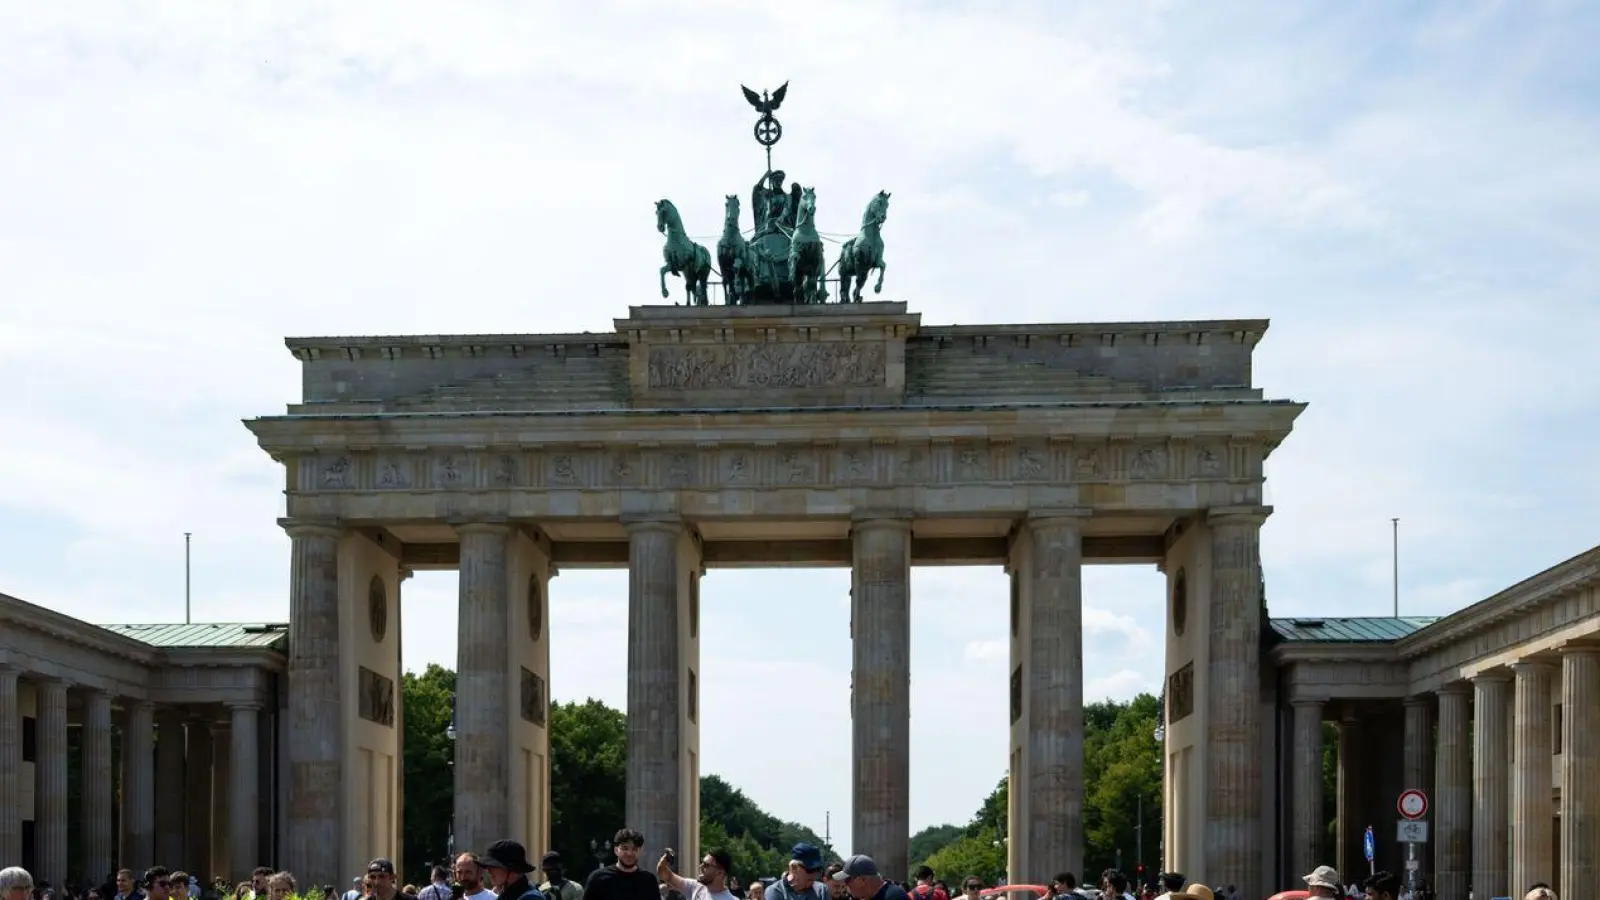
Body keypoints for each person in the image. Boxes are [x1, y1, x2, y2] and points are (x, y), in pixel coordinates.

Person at [582, 829, 659, 900]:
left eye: (634, 849)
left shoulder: (648, 880)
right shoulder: (598, 878)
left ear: (640, 851)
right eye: (625, 848)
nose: (629, 853)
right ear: (616, 850)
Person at [657, 848, 736, 900]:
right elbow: (666, 876)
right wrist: (666, 859)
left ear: (720, 872)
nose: (700, 867)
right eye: (701, 863)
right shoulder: (696, 887)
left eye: (706, 865)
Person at [481, 840, 545, 900]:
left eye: (493, 866)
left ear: (511, 870)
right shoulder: (506, 896)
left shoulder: (532, 898)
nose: (488, 870)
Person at [831, 856, 906, 900]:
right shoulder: (881, 895)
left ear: (862, 880)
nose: (845, 884)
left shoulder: (894, 897)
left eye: (847, 880)